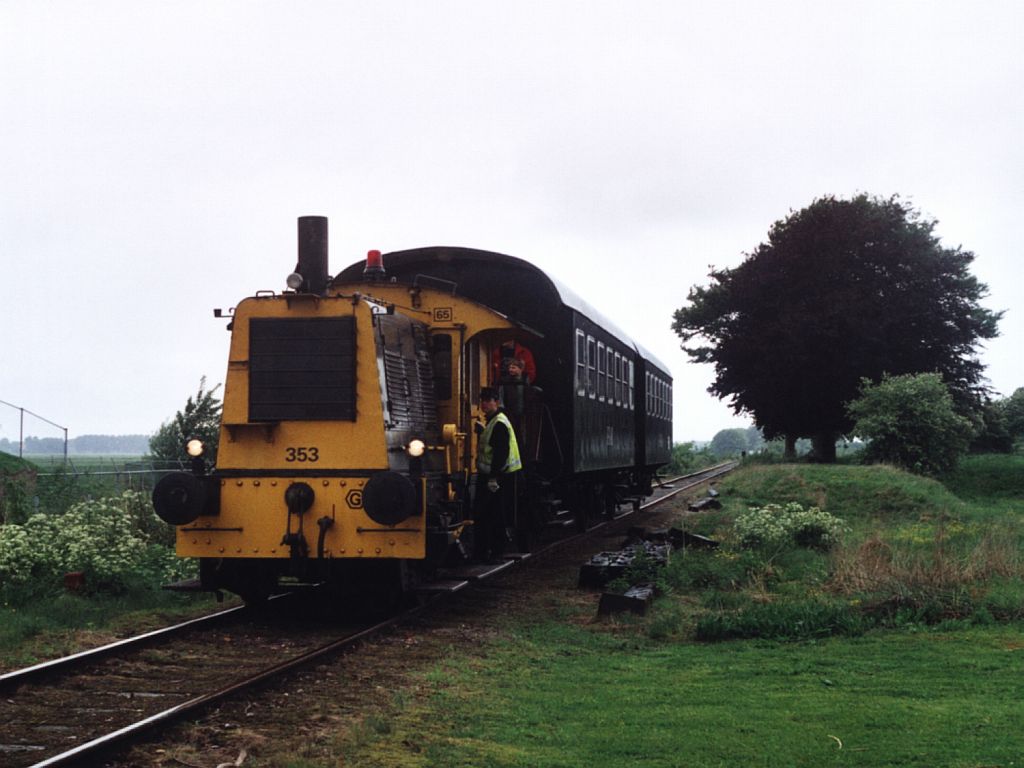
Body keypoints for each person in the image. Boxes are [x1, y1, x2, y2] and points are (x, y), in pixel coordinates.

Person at [473, 386, 522, 562]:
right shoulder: (494, 421)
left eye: (488, 401)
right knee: (492, 513)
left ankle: (492, 552)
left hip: (496, 477)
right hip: (496, 475)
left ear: (496, 402)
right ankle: (491, 551)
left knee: (491, 514)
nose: (484, 404)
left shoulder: (499, 423)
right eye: (483, 401)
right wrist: (482, 431)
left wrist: (493, 477)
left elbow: (501, 452)